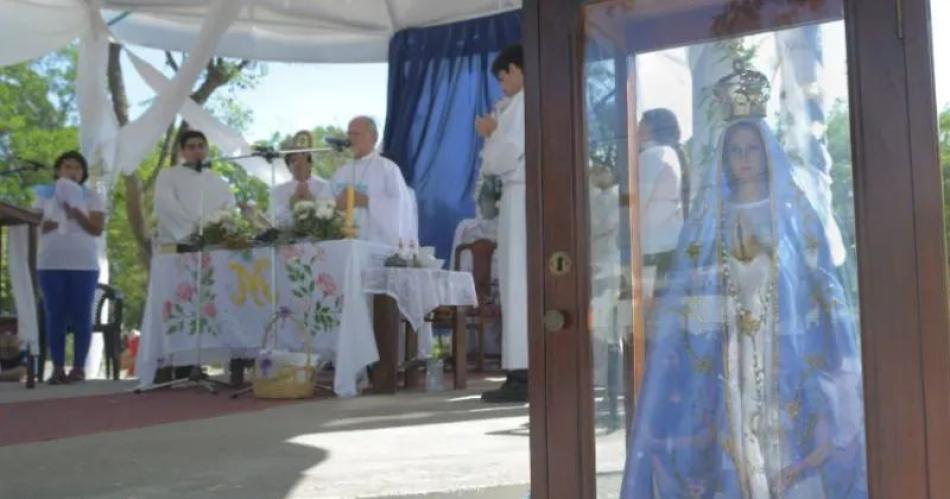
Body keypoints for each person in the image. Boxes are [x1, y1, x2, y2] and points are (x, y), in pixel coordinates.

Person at [620, 67, 867, 498]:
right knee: (732, 427)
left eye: (752, 148)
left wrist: (824, 326)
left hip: (786, 343)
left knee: (787, 427)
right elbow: (692, 283)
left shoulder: (792, 212)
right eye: (735, 150)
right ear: (724, 158)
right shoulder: (709, 220)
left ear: (767, 152)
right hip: (727, 346)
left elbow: (820, 275)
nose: (745, 158)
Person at [476, 44, 528, 403]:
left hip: (523, 193)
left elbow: (506, 156)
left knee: (518, 282)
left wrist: (492, 132)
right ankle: (518, 368)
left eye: (503, 75)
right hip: (514, 196)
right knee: (512, 282)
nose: (501, 84)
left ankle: (524, 372)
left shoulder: (525, 103)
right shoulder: (512, 105)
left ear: (518, 69)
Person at [33, 151, 105, 384]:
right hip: (51, 262)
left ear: (82, 173)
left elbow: (96, 228)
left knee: (82, 315)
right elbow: (37, 226)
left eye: (76, 167)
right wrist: (56, 218)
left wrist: (75, 214)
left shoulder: (92, 196)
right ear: (57, 171)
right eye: (66, 166)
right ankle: (57, 368)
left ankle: (78, 368)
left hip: (83, 264)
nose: (71, 171)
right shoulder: (43, 195)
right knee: (55, 314)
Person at [332, 116, 416, 247]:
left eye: (357, 134)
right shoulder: (341, 172)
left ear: (374, 137)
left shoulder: (388, 169)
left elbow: (400, 208)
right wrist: (334, 204)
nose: (351, 139)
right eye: (349, 134)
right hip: (343, 245)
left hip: (376, 247)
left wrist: (365, 201)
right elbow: (325, 203)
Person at [637, 108, 688, 302]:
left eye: (641, 124)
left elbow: (637, 204)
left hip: (651, 248)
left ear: (651, 129)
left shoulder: (652, 155)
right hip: (667, 245)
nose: (636, 129)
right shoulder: (670, 153)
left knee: (647, 310)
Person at [154, 130, 236, 245]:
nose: (197, 150)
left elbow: (228, 209)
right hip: (176, 244)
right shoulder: (167, 175)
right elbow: (166, 206)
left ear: (207, 149)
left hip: (213, 245)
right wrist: (191, 233)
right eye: (191, 147)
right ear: (182, 152)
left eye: (201, 146)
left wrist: (216, 231)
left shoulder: (220, 182)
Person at [270, 130, 333, 227]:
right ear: (288, 166)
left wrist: (310, 198)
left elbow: (327, 217)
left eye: (303, 159)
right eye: (293, 160)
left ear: (311, 164)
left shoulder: (325, 186)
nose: (298, 164)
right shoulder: (277, 191)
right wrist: (293, 200)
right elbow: (276, 221)